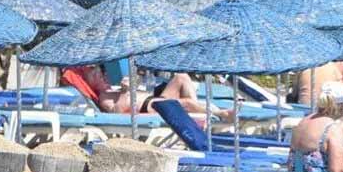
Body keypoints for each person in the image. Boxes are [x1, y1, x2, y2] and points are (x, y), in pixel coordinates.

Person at [80, 66, 232, 120]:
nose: (102, 75)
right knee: (187, 103)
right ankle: (220, 114)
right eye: (96, 75)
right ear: (91, 83)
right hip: (149, 107)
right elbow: (117, 113)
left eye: (100, 72)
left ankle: (196, 115)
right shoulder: (103, 97)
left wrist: (132, 85)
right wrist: (125, 92)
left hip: (155, 100)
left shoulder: (111, 89)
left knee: (182, 77)